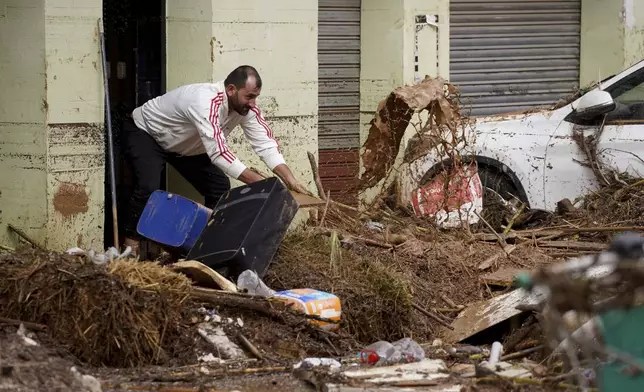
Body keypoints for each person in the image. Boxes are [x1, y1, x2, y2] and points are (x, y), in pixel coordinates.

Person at [121, 65, 309, 256]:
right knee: (148, 186)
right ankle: (129, 251)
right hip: (147, 133)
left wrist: (290, 180)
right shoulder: (205, 101)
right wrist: (264, 184)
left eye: (256, 97)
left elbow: (265, 143)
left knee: (219, 187)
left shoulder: (246, 108)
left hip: (185, 145)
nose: (253, 103)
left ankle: (205, 247)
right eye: (249, 96)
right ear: (231, 90)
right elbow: (219, 152)